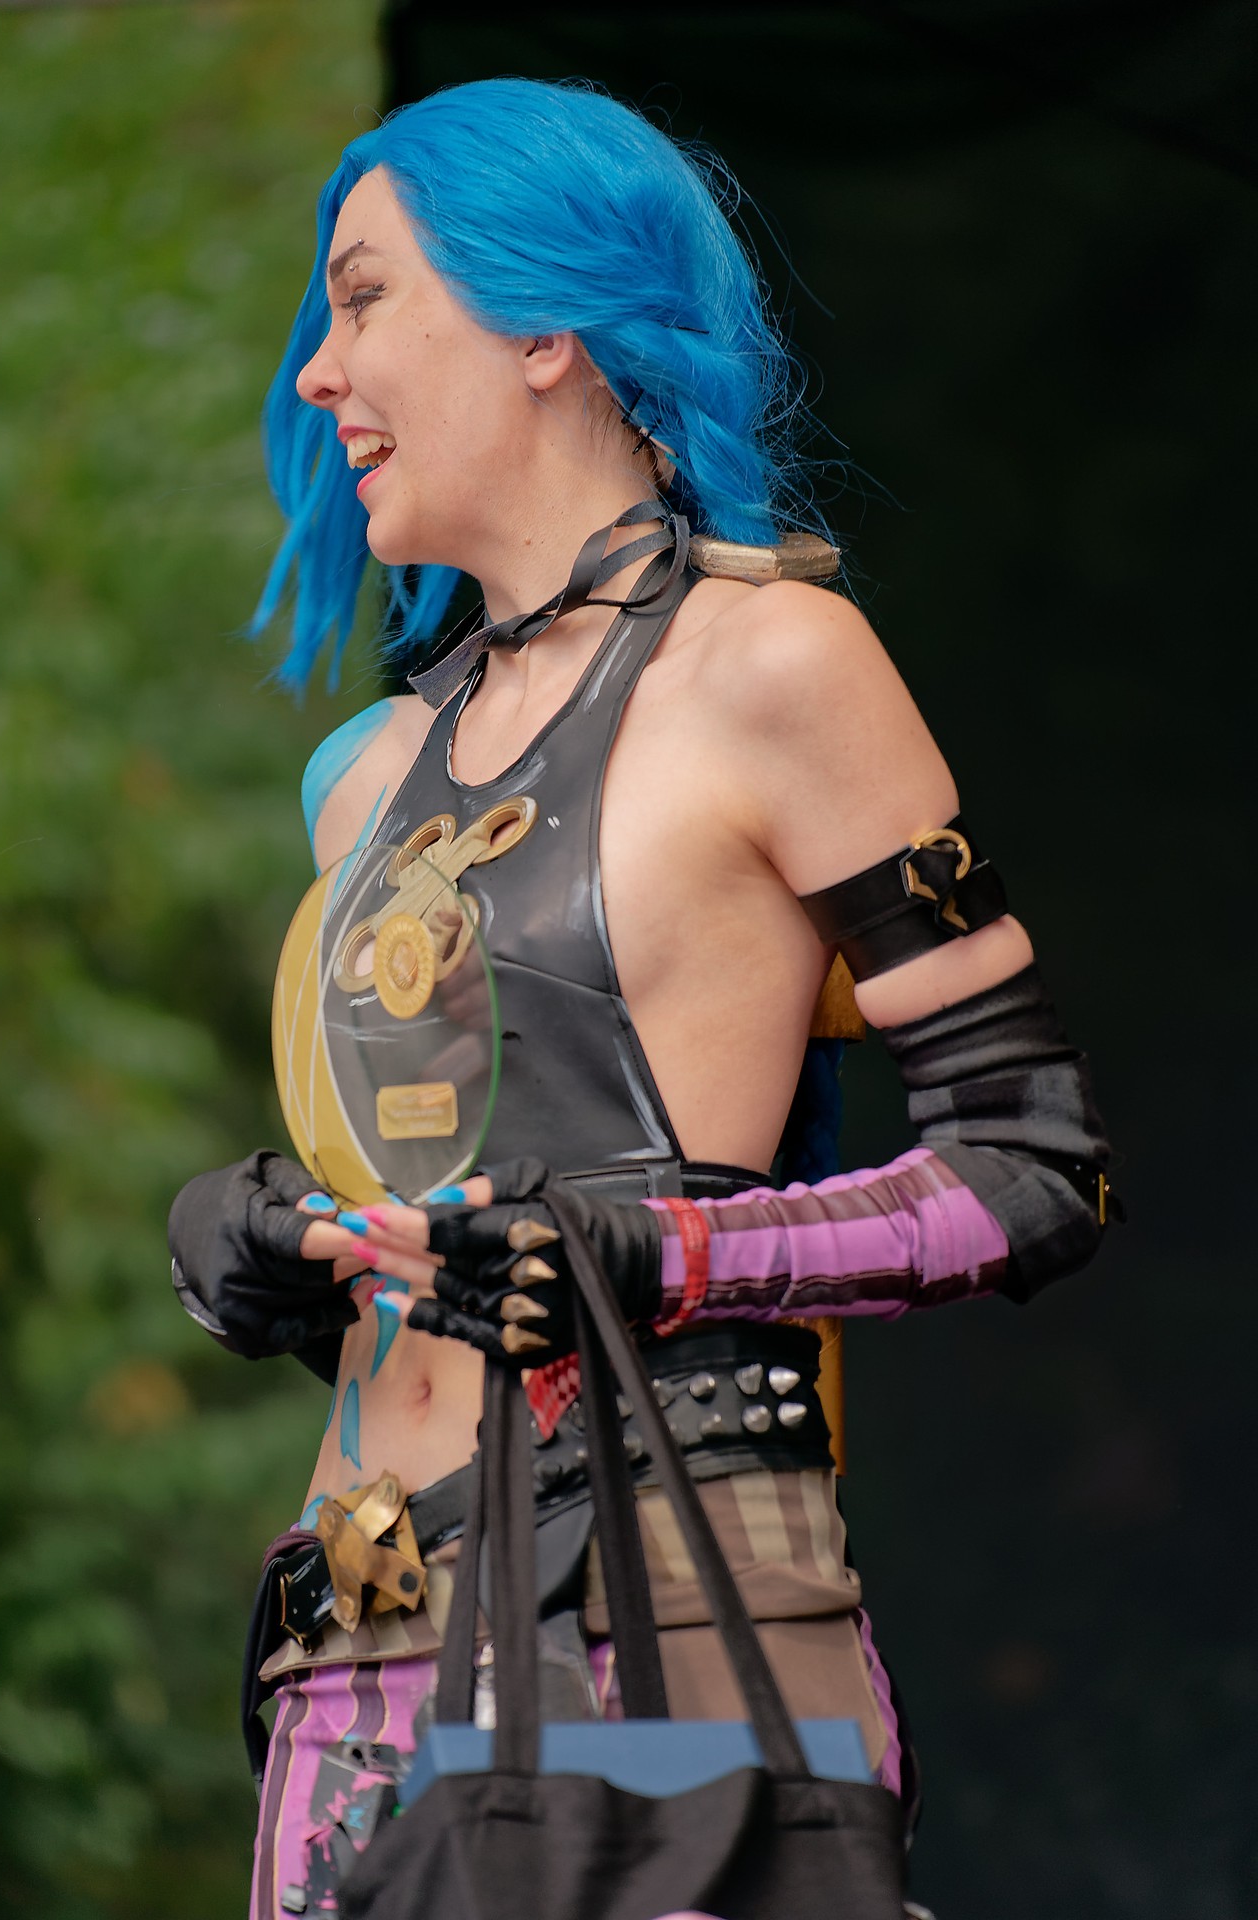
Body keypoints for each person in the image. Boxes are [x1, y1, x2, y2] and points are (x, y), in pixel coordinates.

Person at [167, 78, 1112, 1919]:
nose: (316, 372)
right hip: (350, 1637)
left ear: (545, 323)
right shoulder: (367, 778)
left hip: (662, 1629)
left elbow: (1039, 1164)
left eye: (362, 298)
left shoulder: (776, 665)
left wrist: (664, 1255)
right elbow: (453, 1212)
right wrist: (279, 1252)